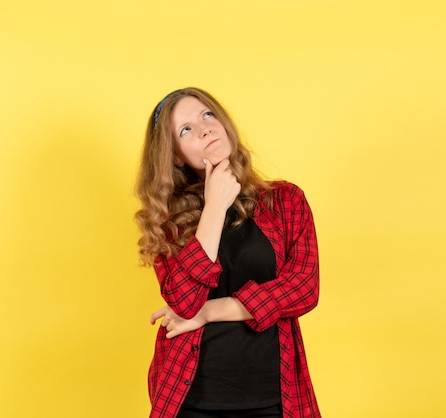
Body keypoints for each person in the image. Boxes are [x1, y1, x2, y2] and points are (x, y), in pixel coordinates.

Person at [135, 87, 321, 418]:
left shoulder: (286, 201)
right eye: (186, 129)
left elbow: (303, 289)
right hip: (191, 397)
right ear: (176, 155)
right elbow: (183, 301)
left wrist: (210, 311)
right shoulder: (168, 221)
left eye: (208, 115)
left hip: (274, 398)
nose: (204, 128)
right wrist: (215, 208)